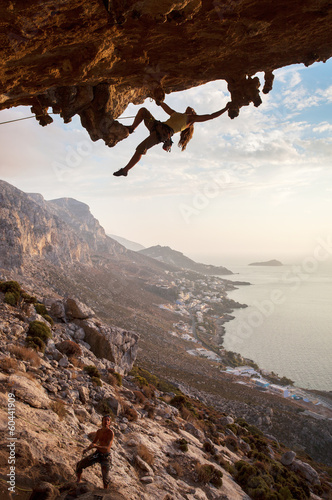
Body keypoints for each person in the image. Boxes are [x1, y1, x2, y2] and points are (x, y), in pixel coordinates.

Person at [113, 100, 230, 177]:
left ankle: (125, 170)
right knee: (143, 111)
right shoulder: (177, 114)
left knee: (141, 148)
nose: (191, 108)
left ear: (193, 114)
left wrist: (226, 108)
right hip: (157, 126)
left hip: (163, 134)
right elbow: (165, 107)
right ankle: (132, 128)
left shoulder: (191, 120)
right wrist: (158, 100)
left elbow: (210, 116)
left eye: (193, 110)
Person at [76, 415, 114, 489]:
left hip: (105, 457)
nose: (106, 421)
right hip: (97, 454)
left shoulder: (110, 433)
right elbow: (94, 442)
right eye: (105, 420)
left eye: (108, 420)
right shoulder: (99, 432)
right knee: (79, 464)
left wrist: (96, 446)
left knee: (105, 479)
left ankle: (105, 493)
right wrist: (87, 449)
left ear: (110, 423)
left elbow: (107, 448)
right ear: (102, 421)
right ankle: (78, 481)